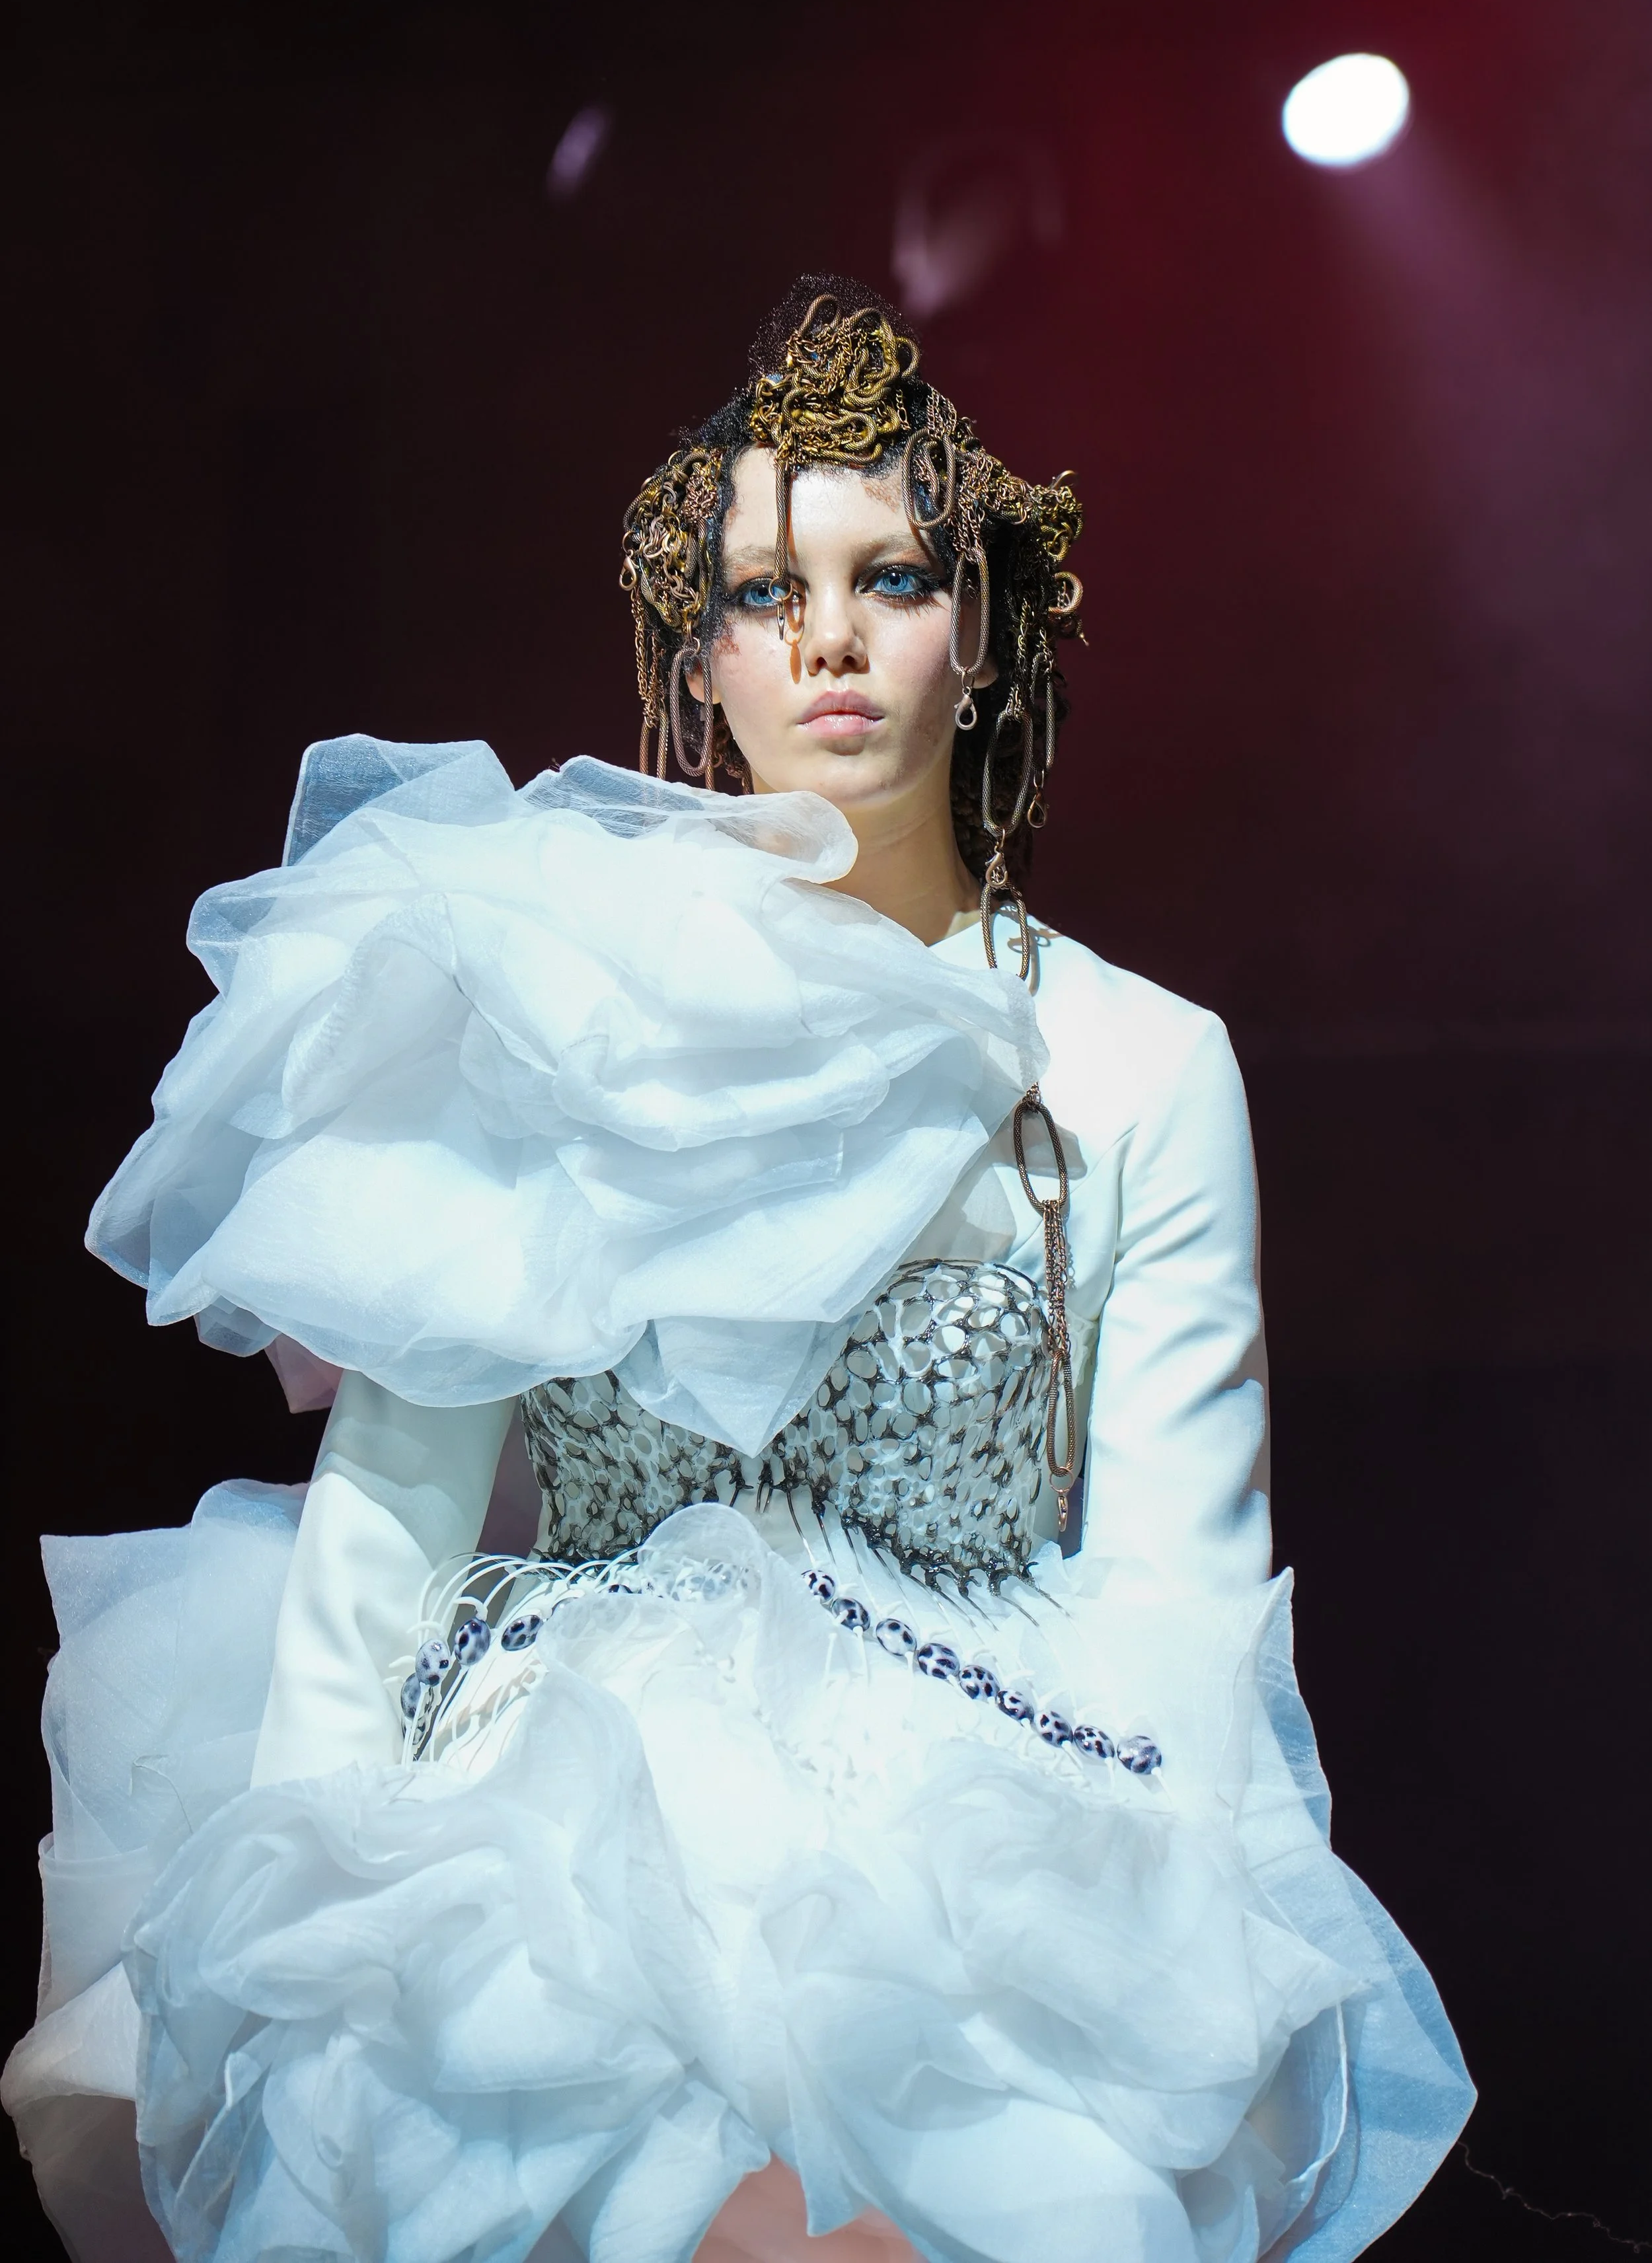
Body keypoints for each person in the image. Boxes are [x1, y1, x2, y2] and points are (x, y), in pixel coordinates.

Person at [4, 281, 1473, 2263]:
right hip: (567, 1816)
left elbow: (1179, 1575)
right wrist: (294, 1905)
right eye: (769, 589)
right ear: (697, 648)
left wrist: (1165, 1931)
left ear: (987, 623)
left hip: (992, 1813)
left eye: (892, 576)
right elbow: (398, 1503)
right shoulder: (557, 994)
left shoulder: (1138, 1063)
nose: (836, 638)